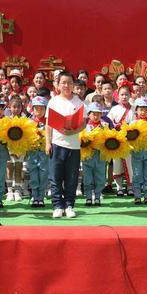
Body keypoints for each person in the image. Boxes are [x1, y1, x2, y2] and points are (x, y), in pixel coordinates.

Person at [45, 71, 85, 218]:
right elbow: (48, 124)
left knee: (72, 178)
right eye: (63, 82)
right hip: (57, 144)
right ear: (58, 84)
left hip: (73, 146)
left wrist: (74, 130)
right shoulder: (53, 101)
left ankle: (69, 205)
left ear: (73, 85)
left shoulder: (78, 102)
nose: (66, 86)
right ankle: (57, 206)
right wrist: (47, 143)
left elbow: (83, 124)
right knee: (55, 177)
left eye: (69, 83)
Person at [107, 83, 134, 196]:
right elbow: (107, 122)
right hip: (117, 140)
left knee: (129, 163)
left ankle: (130, 186)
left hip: (129, 140)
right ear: (118, 95)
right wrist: (114, 125)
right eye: (122, 94)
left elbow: (135, 123)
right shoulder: (114, 109)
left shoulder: (133, 109)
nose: (124, 97)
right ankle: (119, 187)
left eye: (126, 94)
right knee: (117, 163)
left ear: (130, 95)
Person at [82, 103, 108, 206]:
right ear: (89, 115)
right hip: (88, 155)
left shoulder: (104, 126)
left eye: (98, 114)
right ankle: (88, 197)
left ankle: (97, 196)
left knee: (100, 177)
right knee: (87, 177)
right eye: (94, 114)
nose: (96, 116)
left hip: (100, 155)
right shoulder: (85, 127)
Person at [130, 98, 147, 205]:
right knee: (137, 174)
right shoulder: (132, 123)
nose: (143, 112)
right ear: (136, 110)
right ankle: (137, 195)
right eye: (141, 109)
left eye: (146, 109)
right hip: (137, 153)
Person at [26, 96, 48, 207]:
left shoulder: (48, 122)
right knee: (33, 173)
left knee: (44, 173)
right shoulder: (29, 122)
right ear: (32, 109)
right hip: (32, 152)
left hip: (44, 152)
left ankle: (41, 196)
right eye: (36, 108)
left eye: (41, 108)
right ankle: (35, 196)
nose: (38, 111)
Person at [5, 95, 26, 201]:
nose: (16, 109)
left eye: (18, 107)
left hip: (20, 149)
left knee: (18, 168)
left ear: (21, 108)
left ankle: (17, 190)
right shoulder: (7, 120)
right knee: (9, 169)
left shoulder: (24, 120)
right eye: (14, 107)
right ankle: (9, 191)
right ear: (9, 107)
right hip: (9, 149)